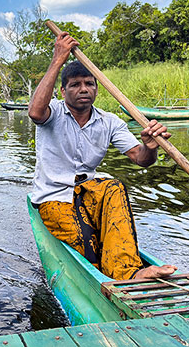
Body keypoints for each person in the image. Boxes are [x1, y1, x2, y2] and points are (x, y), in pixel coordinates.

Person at [28, 32, 177, 280]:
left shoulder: (109, 122)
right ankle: (104, 274)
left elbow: (141, 159)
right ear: (63, 91)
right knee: (85, 241)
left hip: (87, 190)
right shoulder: (51, 112)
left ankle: (129, 273)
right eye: (75, 85)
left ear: (97, 89)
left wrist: (150, 146)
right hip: (54, 195)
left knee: (113, 187)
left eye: (89, 83)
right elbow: (35, 112)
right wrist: (58, 60)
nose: (83, 89)